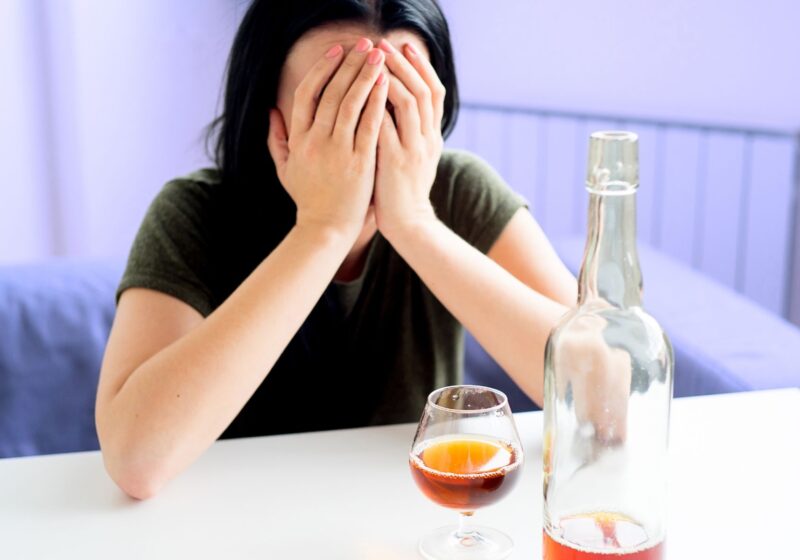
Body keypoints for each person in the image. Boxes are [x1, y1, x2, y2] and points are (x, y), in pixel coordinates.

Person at [95, 0, 576, 500]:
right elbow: (136, 461)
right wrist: (322, 230)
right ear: (270, 114)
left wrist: (414, 224)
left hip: (410, 517)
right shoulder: (194, 213)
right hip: (237, 519)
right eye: (335, 101)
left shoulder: (459, 191)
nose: (367, 129)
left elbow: (608, 401)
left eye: (396, 101)